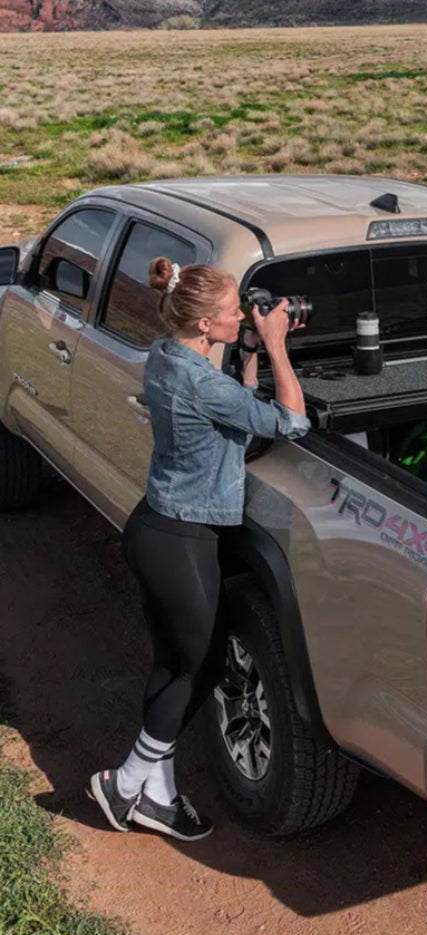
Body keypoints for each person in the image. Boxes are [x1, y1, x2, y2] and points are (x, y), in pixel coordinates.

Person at [88, 258, 310, 841]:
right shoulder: (200, 381)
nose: (245, 315)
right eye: (235, 311)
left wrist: (251, 356)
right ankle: (126, 782)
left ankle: (157, 795)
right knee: (202, 666)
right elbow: (291, 422)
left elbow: (225, 408)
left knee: (172, 663)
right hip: (183, 541)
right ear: (208, 325)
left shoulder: (168, 356)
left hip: (156, 529)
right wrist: (278, 346)